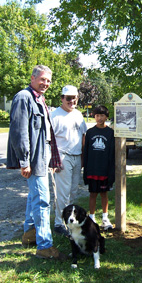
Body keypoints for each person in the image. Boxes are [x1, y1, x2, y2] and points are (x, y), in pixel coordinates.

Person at [7, 65, 65, 260]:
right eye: (42, 79)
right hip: (34, 157)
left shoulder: (39, 98)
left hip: (43, 154)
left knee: (34, 196)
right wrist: (25, 161)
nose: (46, 83)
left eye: (48, 80)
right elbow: (19, 131)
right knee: (42, 200)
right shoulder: (24, 97)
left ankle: (29, 234)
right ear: (32, 78)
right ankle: (45, 246)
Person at [50, 85, 87, 236]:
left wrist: (83, 158)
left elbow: (83, 136)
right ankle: (59, 223)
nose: (72, 101)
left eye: (74, 97)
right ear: (62, 98)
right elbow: (49, 140)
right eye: (68, 98)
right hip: (62, 157)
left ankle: (69, 220)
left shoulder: (78, 114)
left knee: (73, 191)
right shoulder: (54, 115)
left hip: (77, 156)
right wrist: (54, 161)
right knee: (63, 193)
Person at [83, 105, 115, 230]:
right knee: (92, 194)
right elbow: (86, 152)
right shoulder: (90, 132)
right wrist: (86, 168)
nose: (99, 118)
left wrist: (110, 170)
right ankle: (91, 218)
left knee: (103, 194)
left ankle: (105, 218)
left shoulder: (110, 132)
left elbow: (112, 153)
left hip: (104, 169)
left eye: (102, 115)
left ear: (106, 117)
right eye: (97, 115)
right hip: (92, 169)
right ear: (93, 116)